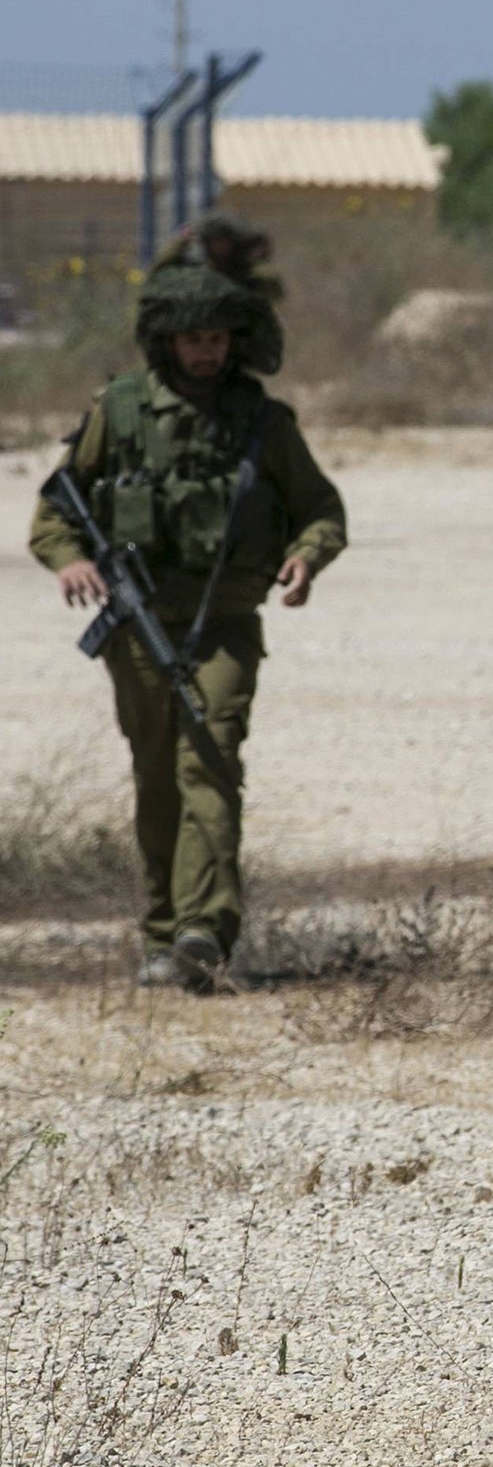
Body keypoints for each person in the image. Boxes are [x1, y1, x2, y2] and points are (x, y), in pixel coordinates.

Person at [27, 264, 347, 991]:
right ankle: (163, 930)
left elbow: (322, 509)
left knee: (211, 756)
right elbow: (55, 512)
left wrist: (305, 557)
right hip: (138, 627)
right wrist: (72, 561)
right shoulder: (122, 410)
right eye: (191, 339)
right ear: (165, 341)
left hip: (225, 624)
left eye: (216, 339)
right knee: (157, 777)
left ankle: (207, 928)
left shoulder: (264, 423)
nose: (205, 352)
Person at [149, 211, 285, 375]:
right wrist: (179, 243)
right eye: (214, 241)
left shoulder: (246, 270)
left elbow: (275, 291)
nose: (219, 247)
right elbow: (158, 274)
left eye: (223, 241)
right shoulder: (196, 269)